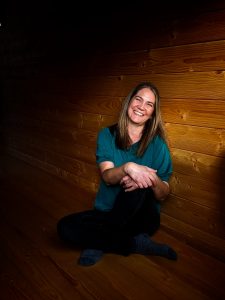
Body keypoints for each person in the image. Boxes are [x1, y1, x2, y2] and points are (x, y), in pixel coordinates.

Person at [57, 82, 177, 266]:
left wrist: (149, 179)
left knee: (138, 186)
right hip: (108, 213)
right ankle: (137, 244)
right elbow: (107, 176)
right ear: (129, 102)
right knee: (64, 228)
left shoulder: (158, 145)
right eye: (138, 99)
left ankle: (97, 242)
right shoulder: (107, 134)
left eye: (149, 104)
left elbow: (163, 194)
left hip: (142, 219)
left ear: (152, 113)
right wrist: (127, 168)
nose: (141, 107)